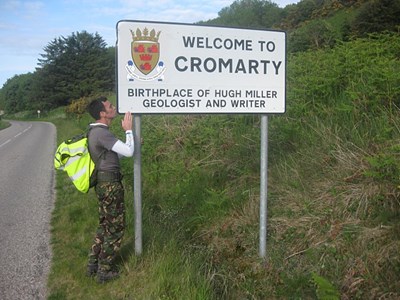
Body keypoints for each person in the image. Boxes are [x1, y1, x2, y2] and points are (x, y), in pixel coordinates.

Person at [86, 96, 134, 283]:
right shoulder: (102, 133)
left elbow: (116, 156)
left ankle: (93, 263)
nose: (114, 107)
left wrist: (132, 142)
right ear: (102, 114)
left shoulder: (95, 132)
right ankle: (104, 270)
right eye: (110, 106)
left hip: (103, 184)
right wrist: (128, 131)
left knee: (105, 225)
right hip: (110, 186)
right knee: (115, 228)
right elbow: (129, 153)